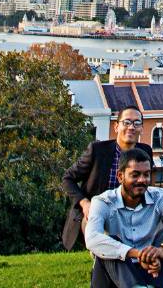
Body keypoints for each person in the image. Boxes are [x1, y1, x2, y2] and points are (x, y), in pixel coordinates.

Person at [85, 148, 163, 288]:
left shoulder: (158, 196)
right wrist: (137, 254)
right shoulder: (103, 201)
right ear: (120, 176)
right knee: (109, 242)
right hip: (114, 273)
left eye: (146, 174)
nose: (142, 180)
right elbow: (92, 238)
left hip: (151, 269)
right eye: (135, 175)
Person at [61, 105, 154, 251]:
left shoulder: (145, 152)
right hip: (98, 213)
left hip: (129, 214)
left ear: (141, 128)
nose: (131, 127)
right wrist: (85, 203)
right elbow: (68, 179)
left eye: (136, 123)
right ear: (116, 126)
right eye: (126, 122)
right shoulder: (98, 151)